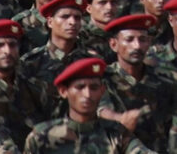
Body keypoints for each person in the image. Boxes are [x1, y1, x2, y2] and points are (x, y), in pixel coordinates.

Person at [22, 57, 151, 153]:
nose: (87, 95)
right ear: (64, 91)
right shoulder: (41, 136)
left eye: (94, 88)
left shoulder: (116, 133)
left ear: (102, 91)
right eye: (80, 87)